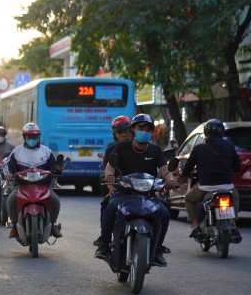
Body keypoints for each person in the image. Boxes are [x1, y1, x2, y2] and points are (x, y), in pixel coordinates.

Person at [95, 113, 176, 266]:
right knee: (111, 206)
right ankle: (104, 245)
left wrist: (170, 180)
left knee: (165, 212)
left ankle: (157, 249)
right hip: (124, 192)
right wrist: (110, 177)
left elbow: (165, 171)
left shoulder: (155, 150)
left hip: (149, 194)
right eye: (140, 128)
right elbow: (109, 167)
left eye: (148, 129)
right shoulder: (122, 147)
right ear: (133, 130)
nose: (144, 131)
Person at [180, 119, 241, 240]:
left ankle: (196, 227)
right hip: (227, 186)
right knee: (235, 196)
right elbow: (237, 166)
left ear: (206, 133)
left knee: (188, 199)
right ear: (222, 133)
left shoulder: (199, 148)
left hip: (205, 186)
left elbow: (187, 168)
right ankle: (233, 224)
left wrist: (184, 175)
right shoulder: (229, 146)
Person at [4, 123, 63, 238]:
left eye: (34, 137)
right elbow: (8, 166)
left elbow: (53, 167)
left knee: (55, 200)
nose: (32, 139)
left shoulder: (46, 151)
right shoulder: (17, 151)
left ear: (38, 137)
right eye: (29, 137)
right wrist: (9, 174)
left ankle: (52, 226)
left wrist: (57, 169)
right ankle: (15, 227)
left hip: (43, 185)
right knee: (11, 200)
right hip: (21, 185)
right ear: (24, 137)